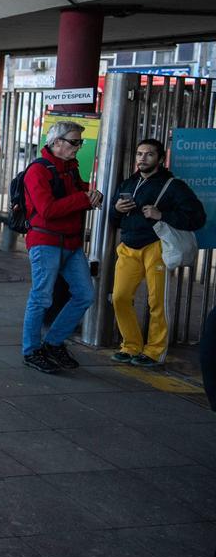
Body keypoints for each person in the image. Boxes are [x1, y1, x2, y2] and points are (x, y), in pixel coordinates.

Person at [110, 138, 206, 367]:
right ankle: (131, 345)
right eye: (139, 153)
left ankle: (154, 351)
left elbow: (197, 218)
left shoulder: (173, 186)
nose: (142, 158)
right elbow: (114, 220)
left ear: (161, 159)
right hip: (128, 246)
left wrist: (161, 215)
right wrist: (117, 209)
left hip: (156, 247)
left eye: (149, 154)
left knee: (157, 301)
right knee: (119, 297)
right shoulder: (127, 184)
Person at [20, 120, 102, 374]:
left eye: (80, 142)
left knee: (85, 295)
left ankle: (53, 343)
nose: (78, 147)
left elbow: (80, 193)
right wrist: (83, 199)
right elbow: (47, 210)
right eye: (74, 142)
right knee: (41, 298)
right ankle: (31, 350)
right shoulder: (38, 170)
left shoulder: (70, 169)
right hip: (45, 242)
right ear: (56, 142)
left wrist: (93, 194)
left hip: (71, 243)